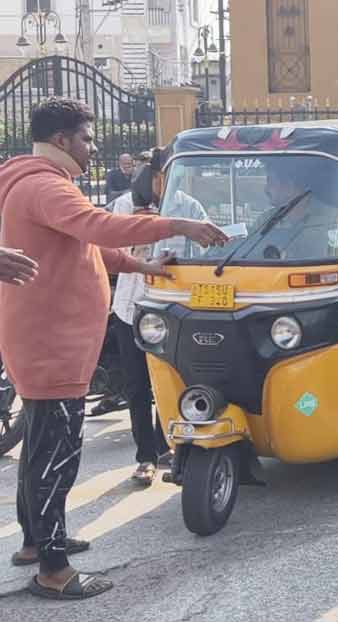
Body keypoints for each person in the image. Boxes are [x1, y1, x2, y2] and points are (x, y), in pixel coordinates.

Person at [0, 98, 226, 601]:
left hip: (42, 339)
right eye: (86, 137)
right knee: (57, 454)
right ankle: (54, 572)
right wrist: (179, 225)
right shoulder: (44, 185)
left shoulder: (30, 180)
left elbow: (87, 246)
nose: (93, 146)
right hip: (52, 343)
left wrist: (143, 267)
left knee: (41, 448)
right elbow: (100, 227)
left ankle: (37, 545)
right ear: (61, 140)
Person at [108, 150, 210, 485]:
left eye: (167, 174)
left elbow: (206, 250)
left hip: (171, 311)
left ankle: (165, 443)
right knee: (136, 386)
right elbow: (112, 253)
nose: (159, 182)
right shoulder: (125, 206)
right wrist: (137, 249)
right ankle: (145, 457)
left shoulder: (190, 207)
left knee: (168, 381)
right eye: (153, 175)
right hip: (131, 307)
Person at [248, 157, 338, 261]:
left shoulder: (335, 218)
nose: (266, 189)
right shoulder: (264, 221)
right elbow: (248, 253)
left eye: (271, 182)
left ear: (289, 186)